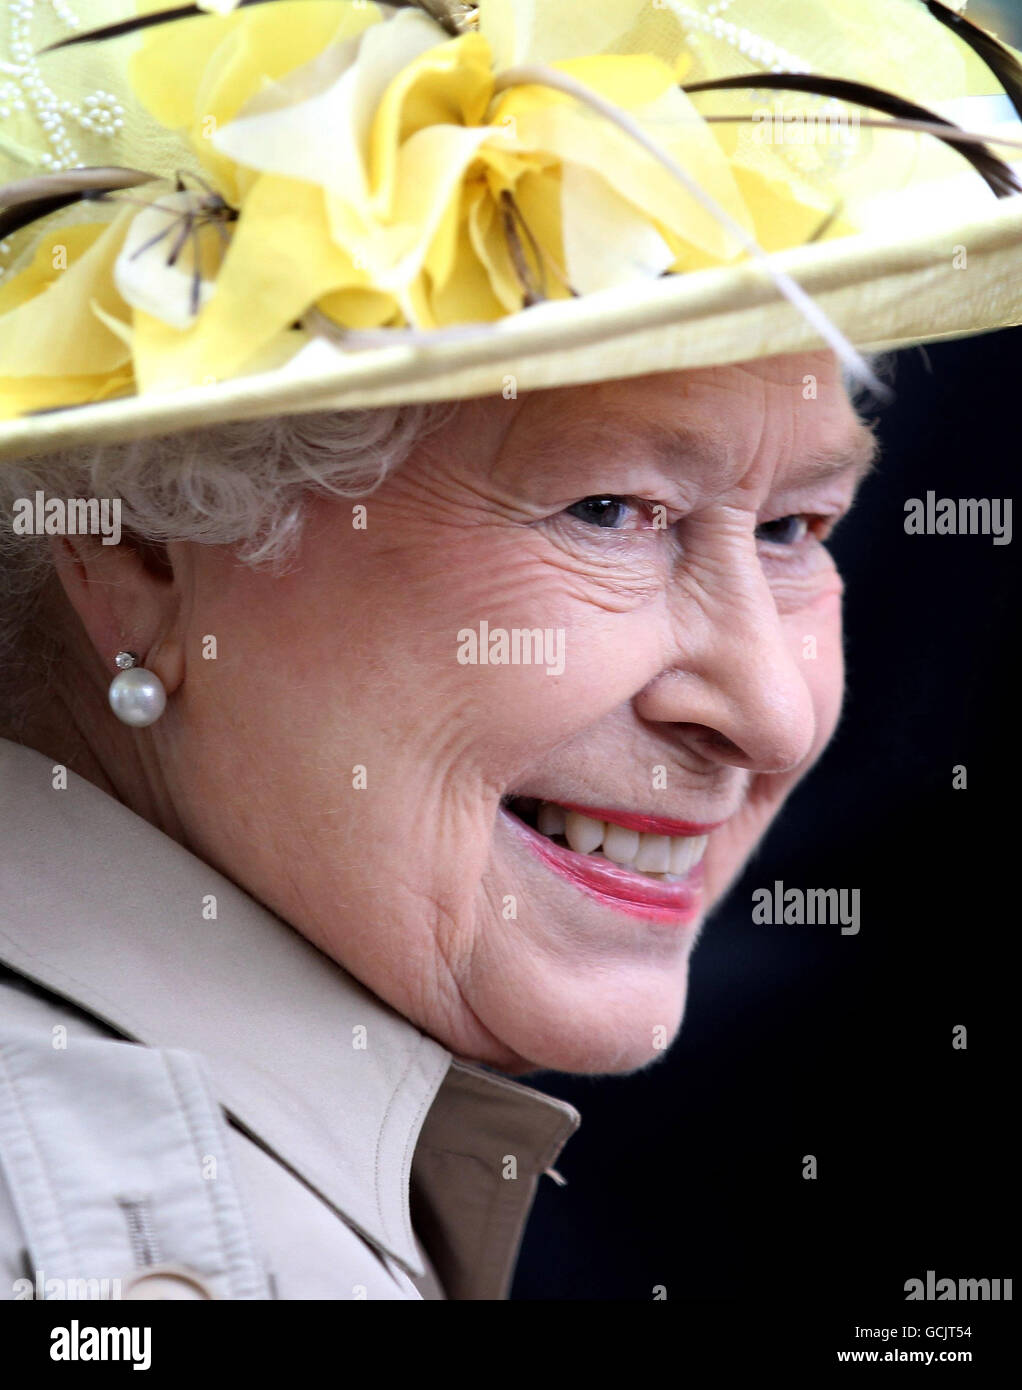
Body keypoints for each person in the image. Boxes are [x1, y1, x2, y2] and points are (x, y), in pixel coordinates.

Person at [0, 0, 1019, 1300]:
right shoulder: (97, 1233)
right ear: (141, 545)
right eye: (607, 512)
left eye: (792, 528)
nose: (771, 711)